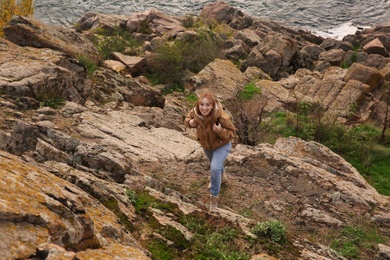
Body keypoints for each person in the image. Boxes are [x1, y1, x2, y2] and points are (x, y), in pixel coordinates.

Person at [184, 93, 237, 212]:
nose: (204, 108)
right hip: (206, 145)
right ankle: (222, 178)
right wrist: (190, 123)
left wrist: (220, 131)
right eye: (201, 104)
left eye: (208, 105)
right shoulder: (195, 113)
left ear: (212, 106)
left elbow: (232, 133)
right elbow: (187, 119)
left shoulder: (222, 117)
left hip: (222, 145)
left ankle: (214, 199)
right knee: (216, 166)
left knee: (214, 168)